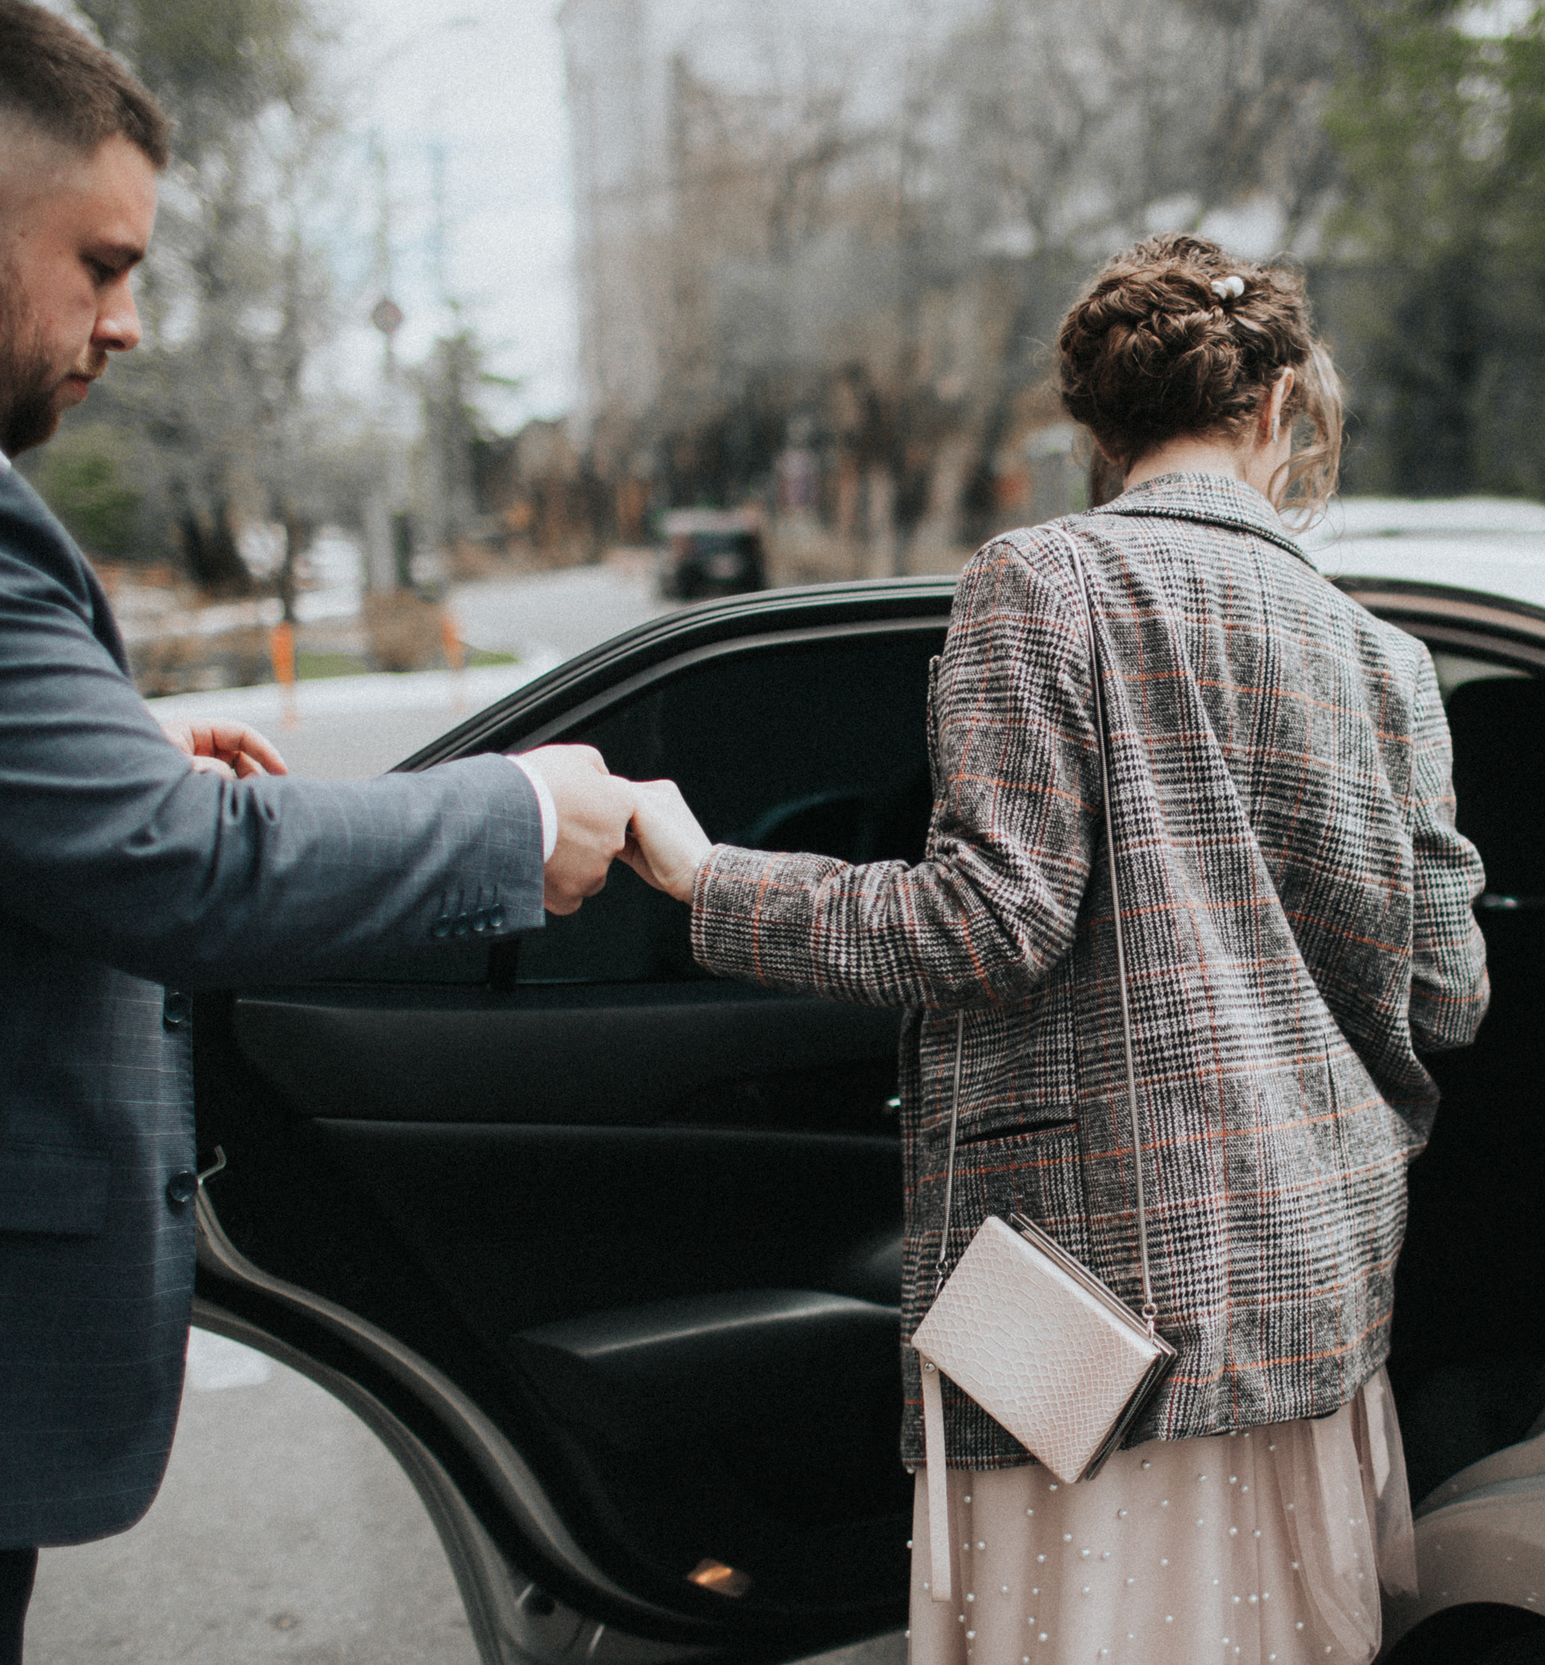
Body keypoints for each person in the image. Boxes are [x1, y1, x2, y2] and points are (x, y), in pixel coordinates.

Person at [0, 0, 645, 1661]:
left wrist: (110, 749)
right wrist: (523, 807)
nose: (124, 325)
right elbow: (172, 874)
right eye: (104, 265)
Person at [619, 233, 1490, 1664]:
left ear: (1098, 426)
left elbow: (988, 921)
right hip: (1318, 1295)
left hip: (1090, 1311)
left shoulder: (1040, 580)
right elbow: (1448, 992)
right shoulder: (1382, 656)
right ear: (1277, 408)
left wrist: (711, 878)